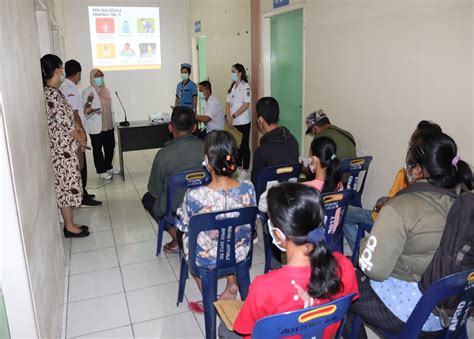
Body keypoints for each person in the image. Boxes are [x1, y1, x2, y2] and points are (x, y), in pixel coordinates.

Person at [347, 132, 472, 337]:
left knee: (339, 286)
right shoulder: (461, 203)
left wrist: (364, 243)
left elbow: (374, 270)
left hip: (413, 314)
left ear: (417, 169)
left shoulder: (400, 206)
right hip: (450, 312)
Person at [220, 183, 358, 338]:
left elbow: (247, 332)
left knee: (224, 328)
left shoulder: (264, 288)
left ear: (279, 235)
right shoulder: (344, 265)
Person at [176, 130, 256, 314]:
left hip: (208, 259)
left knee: (186, 237)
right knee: (229, 232)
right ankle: (233, 282)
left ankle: (208, 296)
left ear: (207, 161)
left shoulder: (195, 196)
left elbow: (182, 226)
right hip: (240, 253)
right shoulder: (249, 189)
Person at [343, 120, 442, 250]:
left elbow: (391, 206)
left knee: (344, 213)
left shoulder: (405, 173)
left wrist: (380, 205)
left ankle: (360, 255)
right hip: (421, 234)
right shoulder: (443, 178)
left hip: (390, 224)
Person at [142, 106, 204, 253]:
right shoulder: (208, 148)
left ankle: (179, 238)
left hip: (174, 208)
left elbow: (155, 192)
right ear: (195, 127)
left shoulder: (163, 154)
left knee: (148, 199)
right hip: (204, 204)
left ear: (170, 127)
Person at [41, 54, 90, 238]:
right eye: (61, 69)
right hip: (62, 152)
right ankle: (69, 226)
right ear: (55, 70)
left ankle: (70, 222)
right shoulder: (50, 94)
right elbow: (66, 124)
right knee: (66, 187)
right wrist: (81, 138)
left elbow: (69, 117)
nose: (63, 72)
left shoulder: (56, 92)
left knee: (69, 185)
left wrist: (79, 133)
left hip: (67, 149)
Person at [60, 59, 102, 208]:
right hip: (76, 134)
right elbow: (74, 113)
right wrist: (82, 133)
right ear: (77, 73)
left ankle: (83, 192)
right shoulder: (69, 90)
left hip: (76, 132)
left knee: (81, 163)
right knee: (80, 165)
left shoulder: (68, 88)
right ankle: (82, 197)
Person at [251, 97, 299, 187]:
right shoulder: (293, 141)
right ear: (278, 115)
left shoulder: (262, 151)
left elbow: (256, 183)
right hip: (291, 195)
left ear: (260, 120)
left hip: (270, 199)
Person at [82, 69, 119, 180]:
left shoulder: (106, 90)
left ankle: (108, 166)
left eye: (101, 76)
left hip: (108, 124)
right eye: (97, 76)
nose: (100, 78)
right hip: (96, 125)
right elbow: (85, 110)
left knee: (110, 147)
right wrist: (93, 110)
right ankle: (101, 170)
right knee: (97, 149)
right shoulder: (89, 91)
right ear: (92, 78)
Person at [226, 63, 251, 170]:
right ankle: (238, 167)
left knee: (244, 147)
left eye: (233, 71)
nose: (231, 74)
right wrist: (228, 116)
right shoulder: (232, 86)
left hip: (243, 122)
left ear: (240, 73)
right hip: (233, 123)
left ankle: (245, 170)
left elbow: (246, 105)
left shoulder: (245, 86)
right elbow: (227, 102)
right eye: (231, 71)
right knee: (236, 147)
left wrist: (233, 116)